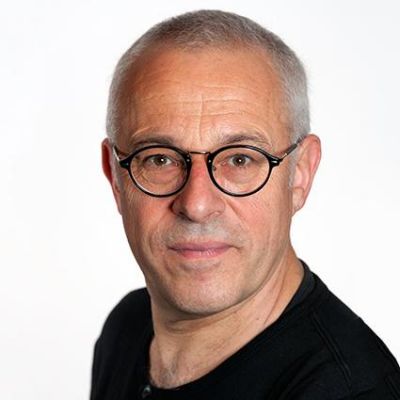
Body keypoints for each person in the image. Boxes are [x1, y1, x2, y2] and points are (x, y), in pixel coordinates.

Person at [90, 10, 400, 400]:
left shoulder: (345, 392)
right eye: (160, 159)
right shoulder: (129, 329)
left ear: (300, 174)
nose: (197, 204)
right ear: (115, 177)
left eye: (240, 159)